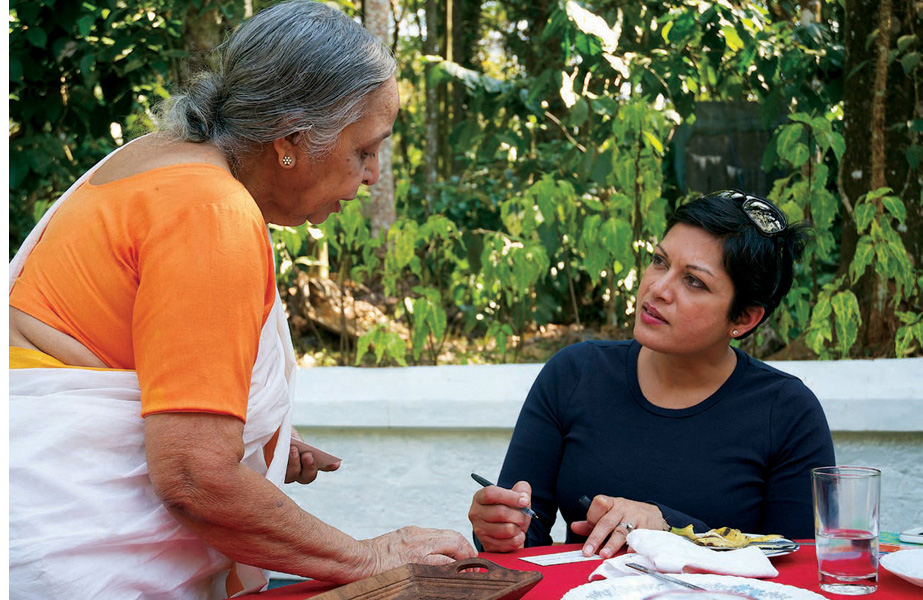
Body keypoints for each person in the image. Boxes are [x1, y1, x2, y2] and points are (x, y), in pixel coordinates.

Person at [8, 2, 474, 598]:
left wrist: (248, 428)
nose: (373, 176)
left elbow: (95, 348)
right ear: (290, 141)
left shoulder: (152, 159)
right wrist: (367, 556)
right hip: (77, 562)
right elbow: (194, 477)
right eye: (363, 150)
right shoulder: (212, 213)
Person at [468, 190, 835, 559]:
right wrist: (499, 531)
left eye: (693, 281)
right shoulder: (574, 374)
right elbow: (522, 537)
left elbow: (798, 565)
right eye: (660, 261)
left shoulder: (787, 412)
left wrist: (669, 526)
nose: (657, 289)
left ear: (744, 318)